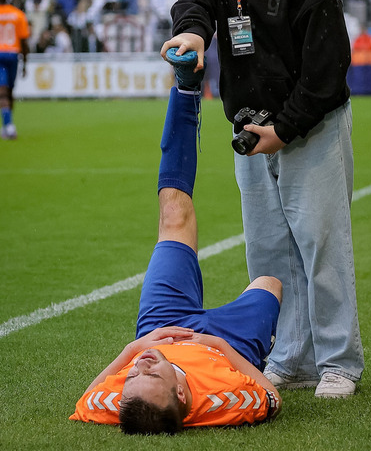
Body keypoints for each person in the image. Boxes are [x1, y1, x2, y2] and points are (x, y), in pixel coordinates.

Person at [161, 0, 364, 398]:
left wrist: (285, 129)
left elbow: (327, 72)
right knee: (268, 251)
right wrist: (193, 33)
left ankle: (339, 362)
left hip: (310, 127)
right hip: (250, 130)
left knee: (321, 246)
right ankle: (290, 357)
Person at [70, 58, 282, 435]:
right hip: (226, 344)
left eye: (132, 377)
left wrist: (135, 349)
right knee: (271, 282)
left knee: (172, 214)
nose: (140, 368)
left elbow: (87, 399)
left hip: (161, 327)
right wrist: (216, 344)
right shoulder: (222, 400)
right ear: (181, 394)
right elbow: (272, 397)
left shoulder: (128, 401)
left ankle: (185, 89)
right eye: (151, 374)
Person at [0, 0, 30, 140]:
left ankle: (8, 126)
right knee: (9, 91)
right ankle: (8, 125)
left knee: (2, 91)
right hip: (13, 55)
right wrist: (25, 63)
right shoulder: (18, 14)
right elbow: (24, 41)